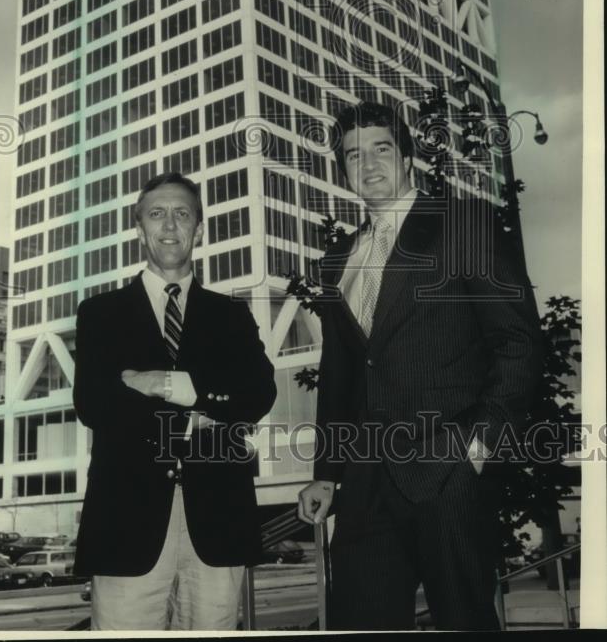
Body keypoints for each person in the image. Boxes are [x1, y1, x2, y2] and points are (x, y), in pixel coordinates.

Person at [298, 101, 543, 630]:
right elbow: (341, 376)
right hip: (364, 483)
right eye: (352, 156)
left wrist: (478, 446)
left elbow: (518, 341)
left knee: (464, 624)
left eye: (381, 149)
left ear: (408, 158)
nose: (367, 164)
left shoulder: (463, 223)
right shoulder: (337, 261)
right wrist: (326, 474)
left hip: (447, 473)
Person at [73, 172, 276, 630]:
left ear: (198, 230)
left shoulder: (231, 314)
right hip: (127, 522)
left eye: (182, 214)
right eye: (157, 214)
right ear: (140, 228)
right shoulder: (99, 314)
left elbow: (259, 392)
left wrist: (165, 385)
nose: (170, 225)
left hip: (219, 520)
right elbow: (94, 404)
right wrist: (207, 414)